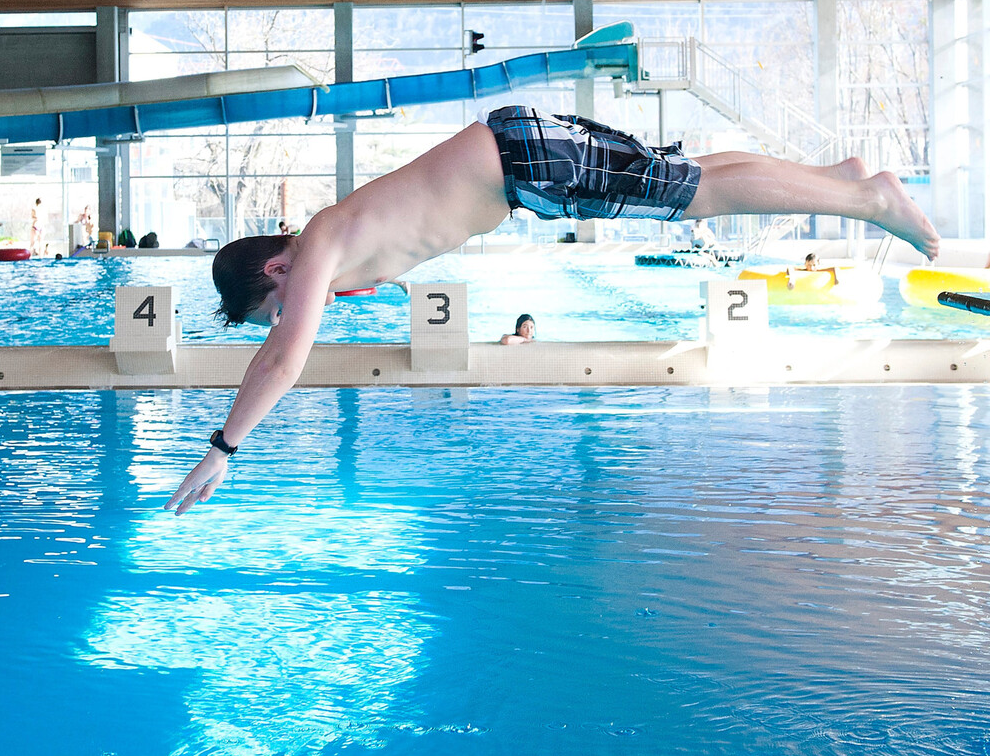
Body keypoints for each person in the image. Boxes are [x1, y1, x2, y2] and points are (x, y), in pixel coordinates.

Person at [166, 105, 940, 514]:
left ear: (274, 268)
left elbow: (284, 360)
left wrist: (223, 449)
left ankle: (867, 198)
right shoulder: (338, 243)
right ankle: (836, 179)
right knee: (689, 177)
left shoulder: (320, 243)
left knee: (696, 196)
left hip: (526, 164)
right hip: (518, 150)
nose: (291, 313)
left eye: (276, 304)